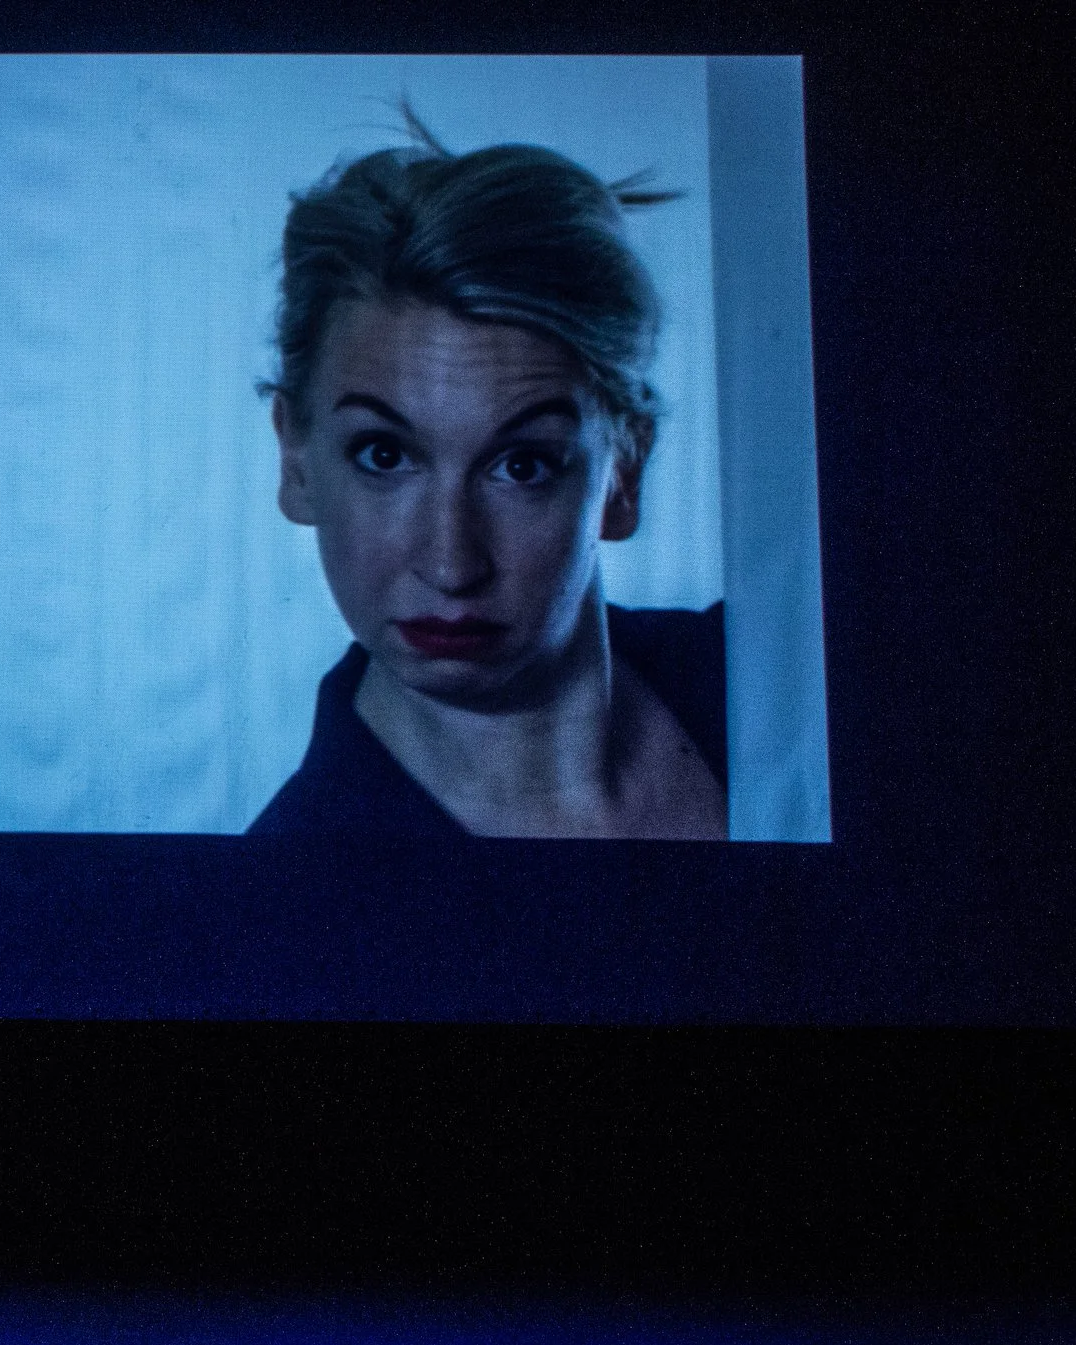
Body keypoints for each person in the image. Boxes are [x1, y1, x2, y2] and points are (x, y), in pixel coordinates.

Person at [246, 115, 727, 842]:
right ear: (296, 461)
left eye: (521, 465)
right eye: (383, 455)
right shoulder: (286, 904)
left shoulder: (790, 687)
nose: (450, 564)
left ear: (623, 474)